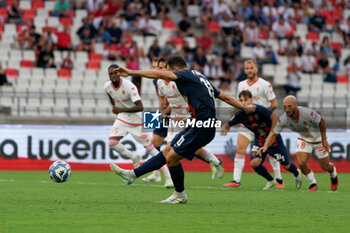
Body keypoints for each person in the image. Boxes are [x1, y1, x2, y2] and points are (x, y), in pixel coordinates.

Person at [110, 55, 255, 204]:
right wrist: (244, 108)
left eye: (168, 71)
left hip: (202, 125)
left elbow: (159, 74)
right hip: (198, 124)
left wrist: (131, 72)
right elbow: (224, 96)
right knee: (167, 151)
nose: (167, 74)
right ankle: (133, 174)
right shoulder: (199, 76)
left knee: (172, 158)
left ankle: (180, 194)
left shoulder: (184, 75)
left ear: (175, 69)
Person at [221, 90, 302, 190]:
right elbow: (228, 123)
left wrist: (271, 135)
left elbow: (275, 118)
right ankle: (270, 180)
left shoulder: (258, 109)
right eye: (240, 100)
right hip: (260, 140)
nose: (243, 102)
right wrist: (225, 127)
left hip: (273, 140)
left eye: (245, 100)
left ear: (251, 100)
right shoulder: (239, 115)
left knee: (286, 165)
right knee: (254, 163)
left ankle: (296, 173)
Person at [258, 96, 339, 192]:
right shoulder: (284, 119)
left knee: (325, 166)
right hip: (304, 139)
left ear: (296, 106)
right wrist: (265, 146)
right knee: (301, 162)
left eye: (289, 106)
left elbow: (321, 121)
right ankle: (313, 183)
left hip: (318, 140)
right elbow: (273, 134)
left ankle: (333, 174)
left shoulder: (307, 113)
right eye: (285, 107)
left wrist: (324, 139)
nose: (287, 110)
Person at [224, 59, 283, 188]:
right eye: (247, 68)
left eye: (251, 68)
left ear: (256, 69)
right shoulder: (241, 85)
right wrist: (233, 119)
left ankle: (279, 179)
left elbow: (274, 104)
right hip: (247, 124)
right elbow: (239, 104)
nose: (249, 70)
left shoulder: (265, 84)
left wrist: (264, 115)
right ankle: (236, 180)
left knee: (271, 152)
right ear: (244, 70)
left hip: (262, 126)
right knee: (240, 149)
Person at [104, 64, 167, 183]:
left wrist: (120, 109)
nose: (113, 76)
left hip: (139, 119)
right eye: (110, 74)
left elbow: (140, 107)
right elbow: (110, 94)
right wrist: (114, 106)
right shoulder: (107, 86)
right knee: (112, 143)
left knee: (152, 148)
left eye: (115, 73)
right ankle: (135, 158)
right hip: (124, 117)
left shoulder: (130, 85)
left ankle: (167, 177)